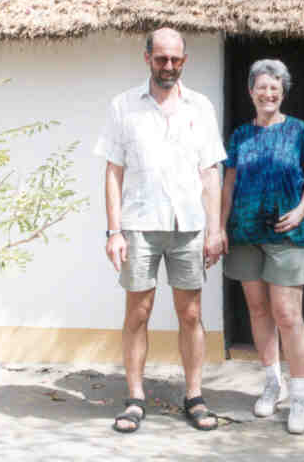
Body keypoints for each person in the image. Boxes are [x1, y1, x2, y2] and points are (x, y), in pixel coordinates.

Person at [95, 27, 226, 433]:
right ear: (147, 58)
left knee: (191, 313)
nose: (168, 66)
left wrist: (215, 230)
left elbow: (210, 171)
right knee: (138, 312)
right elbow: (113, 171)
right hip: (139, 224)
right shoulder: (123, 106)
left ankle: (194, 396)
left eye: (175, 59)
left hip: (188, 225)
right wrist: (114, 231)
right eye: (161, 58)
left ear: (184, 60)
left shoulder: (200, 106)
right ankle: (135, 398)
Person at [221, 58, 304, 435]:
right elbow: (228, 184)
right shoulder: (239, 136)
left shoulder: (298, 130)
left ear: (282, 92)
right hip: (245, 234)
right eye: (262, 87)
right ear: (251, 92)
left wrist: (301, 210)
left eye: (274, 88)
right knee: (258, 309)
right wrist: (219, 227)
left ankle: (300, 395)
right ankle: (272, 383)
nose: (268, 94)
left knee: (287, 314)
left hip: (287, 234)